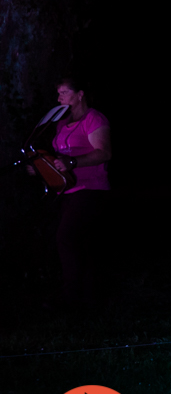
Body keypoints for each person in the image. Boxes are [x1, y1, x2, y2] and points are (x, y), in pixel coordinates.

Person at [42, 77, 113, 308]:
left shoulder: (94, 119)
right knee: (82, 243)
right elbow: (58, 157)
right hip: (67, 190)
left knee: (66, 238)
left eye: (64, 92)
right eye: (59, 93)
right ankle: (89, 297)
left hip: (90, 189)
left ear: (80, 94)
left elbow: (103, 153)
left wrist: (72, 162)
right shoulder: (61, 123)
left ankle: (71, 296)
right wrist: (41, 167)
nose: (59, 98)